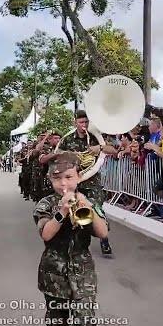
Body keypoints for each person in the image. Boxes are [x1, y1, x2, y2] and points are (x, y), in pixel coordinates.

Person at [33, 152, 109, 326]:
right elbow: (46, 234)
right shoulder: (46, 204)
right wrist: (62, 212)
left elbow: (103, 233)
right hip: (54, 274)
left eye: (68, 177)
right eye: (57, 178)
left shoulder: (89, 200)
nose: (63, 183)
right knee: (57, 320)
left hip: (83, 273)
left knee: (85, 320)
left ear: (78, 177)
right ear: (50, 180)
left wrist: (88, 207)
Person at [57, 110, 118, 256]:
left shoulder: (96, 137)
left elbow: (113, 150)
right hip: (74, 183)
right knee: (73, 212)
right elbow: (57, 154)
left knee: (96, 209)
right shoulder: (68, 139)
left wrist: (100, 148)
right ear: (75, 123)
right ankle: (77, 244)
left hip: (92, 182)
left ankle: (104, 239)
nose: (84, 125)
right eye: (81, 122)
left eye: (86, 122)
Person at [38, 131, 62, 198]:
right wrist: (54, 154)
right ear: (49, 140)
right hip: (50, 180)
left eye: (59, 138)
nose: (58, 140)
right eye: (55, 138)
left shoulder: (63, 148)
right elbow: (42, 160)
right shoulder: (46, 149)